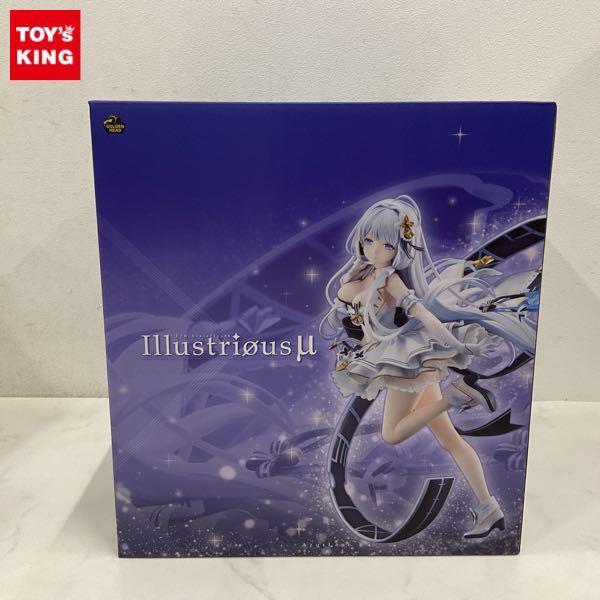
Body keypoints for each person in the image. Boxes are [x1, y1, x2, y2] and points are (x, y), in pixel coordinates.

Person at [319, 196, 536, 538]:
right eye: (369, 240)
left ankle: (456, 396)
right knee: (450, 440)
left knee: (392, 434)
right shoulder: (362, 272)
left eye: (386, 244)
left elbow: (423, 315)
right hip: (391, 357)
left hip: (405, 363)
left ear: (400, 248)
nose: (375, 250)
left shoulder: (390, 279)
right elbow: (342, 317)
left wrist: (455, 347)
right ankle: (489, 509)